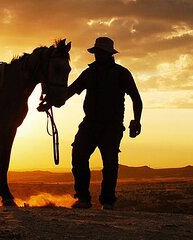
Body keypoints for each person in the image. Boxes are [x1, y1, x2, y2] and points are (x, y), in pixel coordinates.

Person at [67, 37, 143, 209]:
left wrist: (136, 121)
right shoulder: (89, 73)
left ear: (108, 54)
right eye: (96, 52)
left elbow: (136, 99)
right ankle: (84, 199)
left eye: (100, 52)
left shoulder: (122, 73)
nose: (97, 55)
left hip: (111, 125)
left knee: (110, 164)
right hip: (90, 123)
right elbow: (70, 91)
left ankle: (107, 201)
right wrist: (51, 101)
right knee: (78, 156)